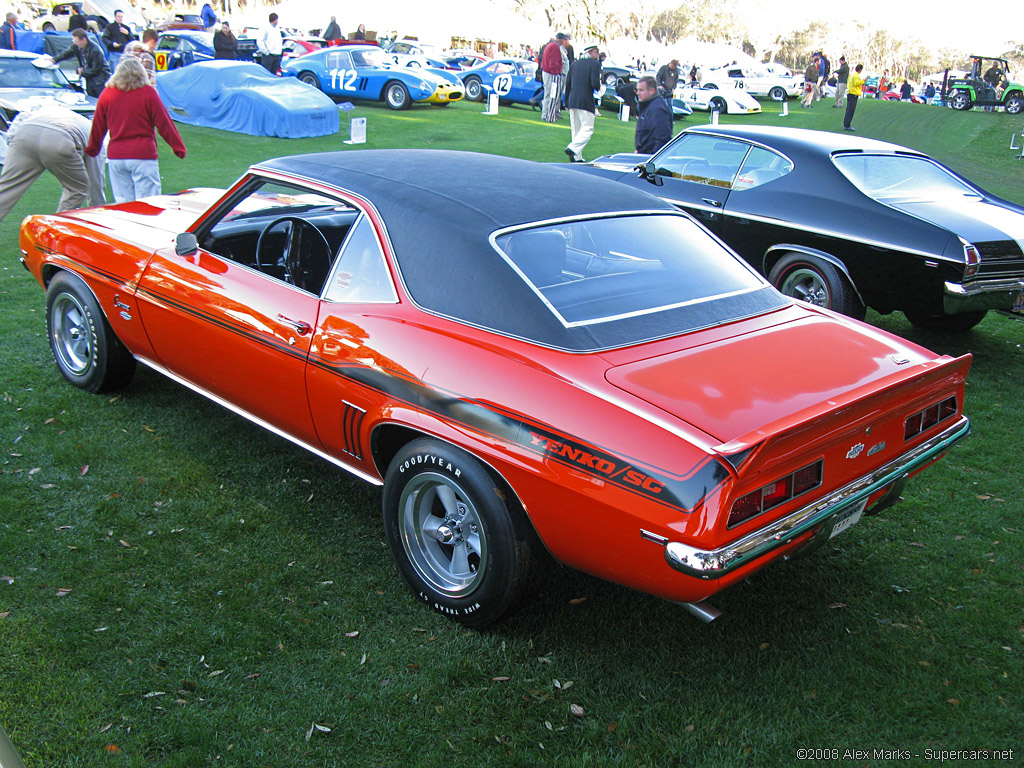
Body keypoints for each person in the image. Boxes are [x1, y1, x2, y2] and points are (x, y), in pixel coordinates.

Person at [85, 57, 186, 203]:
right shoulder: (148, 93)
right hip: (142, 155)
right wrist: (178, 147)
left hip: (116, 157)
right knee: (149, 202)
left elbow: (98, 126)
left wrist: (93, 148)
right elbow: (164, 122)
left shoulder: (107, 94)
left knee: (123, 203)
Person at [0, 106, 105, 224]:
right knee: (77, 189)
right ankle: (55, 230)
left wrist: (11, 143)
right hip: (60, 138)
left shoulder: (54, 110)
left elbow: (23, 115)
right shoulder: (95, 134)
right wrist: (98, 210)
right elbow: (95, 180)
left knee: (6, 186)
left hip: (25, 132)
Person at [564, 44, 601, 163]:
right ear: (590, 52)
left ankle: (577, 157)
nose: (598, 54)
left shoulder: (574, 64)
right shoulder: (594, 64)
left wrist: (566, 102)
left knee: (576, 129)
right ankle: (573, 148)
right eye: (596, 51)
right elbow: (594, 83)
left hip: (572, 99)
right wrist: (600, 86)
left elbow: (568, 83)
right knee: (588, 128)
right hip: (585, 100)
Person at [52, 28, 110, 98]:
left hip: (100, 80)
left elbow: (96, 69)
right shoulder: (77, 46)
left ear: (84, 39)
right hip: (89, 78)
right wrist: (54, 60)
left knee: (99, 100)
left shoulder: (95, 50)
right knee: (90, 98)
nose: (75, 43)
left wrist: (82, 72)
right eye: (74, 41)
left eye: (77, 41)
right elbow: (67, 53)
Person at [634, 75, 672, 154]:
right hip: (643, 154)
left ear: (652, 91)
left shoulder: (657, 109)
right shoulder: (647, 106)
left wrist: (651, 162)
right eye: (637, 90)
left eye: (641, 90)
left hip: (651, 158)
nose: (638, 93)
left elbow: (662, 138)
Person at [540, 33, 566, 123]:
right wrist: (556, 73)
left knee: (548, 93)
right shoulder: (554, 47)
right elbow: (553, 63)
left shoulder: (551, 45)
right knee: (551, 94)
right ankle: (546, 114)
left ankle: (545, 113)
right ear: (561, 39)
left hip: (547, 72)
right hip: (550, 73)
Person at [844, 63, 865, 131]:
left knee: (849, 109)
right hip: (853, 93)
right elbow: (856, 83)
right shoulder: (856, 76)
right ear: (860, 70)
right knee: (851, 110)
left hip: (850, 92)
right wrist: (863, 81)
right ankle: (847, 125)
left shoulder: (852, 75)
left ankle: (846, 123)